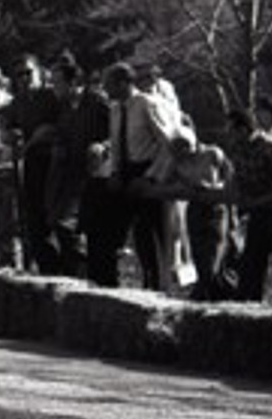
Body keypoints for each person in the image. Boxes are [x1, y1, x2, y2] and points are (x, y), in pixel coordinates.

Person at [97, 62, 178, 290]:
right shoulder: (115, 109)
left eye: (109, 85)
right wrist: (114, 172)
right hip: (126, 173)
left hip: (150, 173)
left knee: (155, 242)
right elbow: (116, 144)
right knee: (122, 237)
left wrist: (151, 177)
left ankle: (159, 293)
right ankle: (116, 289)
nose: (105, 90)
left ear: (124, 83)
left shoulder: (148, 104)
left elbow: (169, 144)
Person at [227, 108, 272, 310]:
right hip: (258, 212)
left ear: (243, 129)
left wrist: (263, 200)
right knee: (251, 265)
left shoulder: (270, 147)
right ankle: (248, 312)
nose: (229, 135)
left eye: (232, 130)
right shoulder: (239, 151)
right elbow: (237, 178)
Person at [43, 59, 109, 277]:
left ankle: (86, 279)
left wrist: (102, 146)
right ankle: (74, 277)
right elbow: (62, 133)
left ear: (73, 83)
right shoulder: (63, 107)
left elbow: (115, 133)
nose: (53, 88)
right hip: (69, 176)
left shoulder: (97, 101)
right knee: (61, 227)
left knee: (77, 230)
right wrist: (58, 145)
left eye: (57, 83)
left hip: (95, 176)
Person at [0, 53, 61, 273]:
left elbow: (56, 129)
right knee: (34, 222)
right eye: (19, 75)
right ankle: (45, 270)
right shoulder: (18, 102)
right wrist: (8, 132)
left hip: (55, 165)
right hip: (31, 164)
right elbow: (9, 125)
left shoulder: (52, 96)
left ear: (39, 73)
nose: (24, 78)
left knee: (57, 221)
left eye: (28, 73)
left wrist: (38, 137)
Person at [165, 133, 233, 301]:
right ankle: (210, 296)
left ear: (190, 146)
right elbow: (166, 181)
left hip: (215, 207)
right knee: (199, 255)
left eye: (182, 152)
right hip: (195, 208)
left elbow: (231, 176)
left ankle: (207, 296)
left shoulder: (212, 153)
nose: (180, 157)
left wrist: (214, 187)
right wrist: (182, 186)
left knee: (214, 255)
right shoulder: (177, 161)